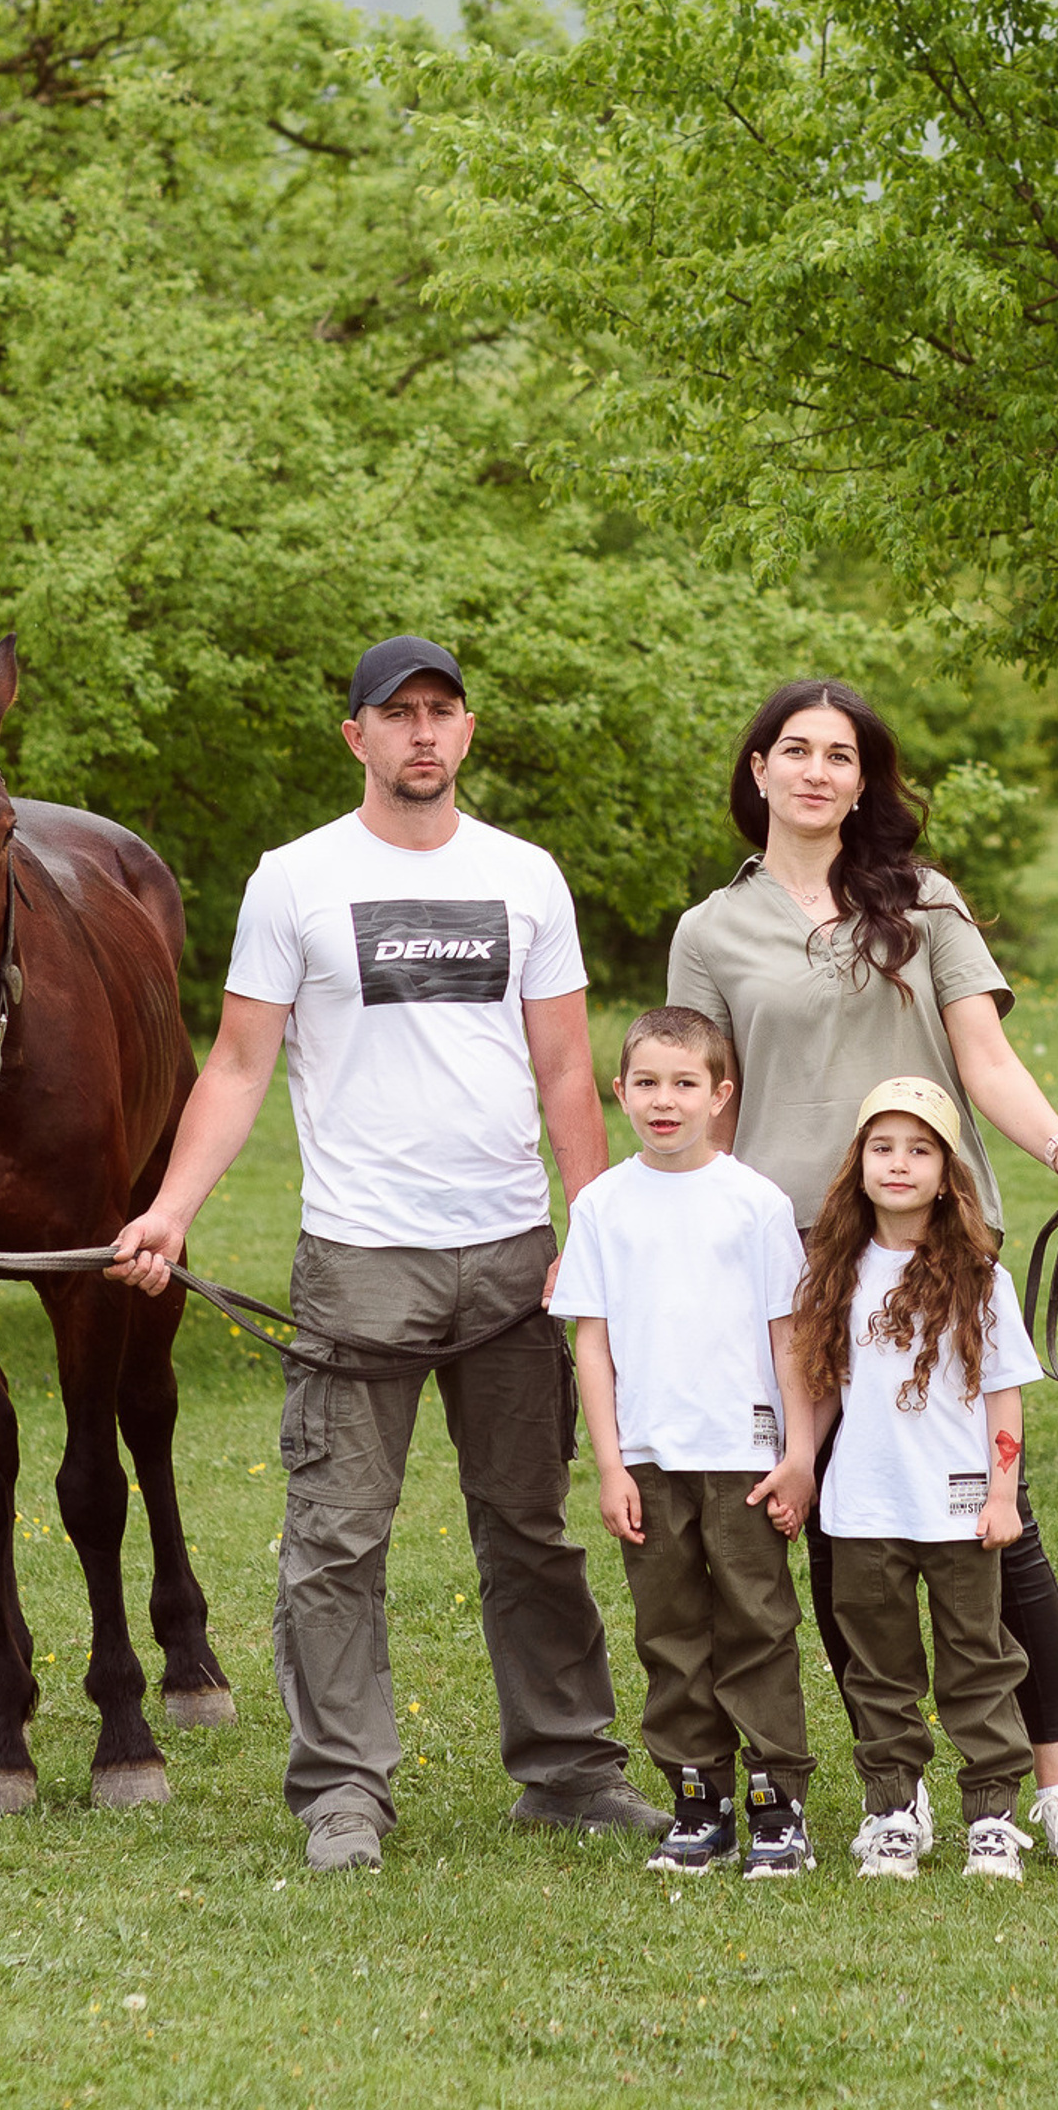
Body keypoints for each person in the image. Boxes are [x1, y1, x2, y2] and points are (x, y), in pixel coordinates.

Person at [106, 633, 669, 1872]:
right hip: (359, 1259)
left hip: (513, 1253)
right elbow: (238, 1063)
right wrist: (171, 1209)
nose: (423, 731)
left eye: (442, 711)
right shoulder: (293, 879)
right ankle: (343, 1794)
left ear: (466, 731)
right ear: (355, 734)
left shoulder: (526, 875)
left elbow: (566, 1070)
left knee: (529, 1525)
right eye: (398, 712)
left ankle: (570, 1771)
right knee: (336, 1536)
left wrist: (595, 1230)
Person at [668, 677, 1058, 1875]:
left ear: (862, 779)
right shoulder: (710, 931)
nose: (816, 770)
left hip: (935, 1253)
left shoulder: (923, 903)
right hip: (796, 1267)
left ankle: (1056, 1788)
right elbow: (703, 1106)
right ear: (759, 769)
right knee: (843, 1526)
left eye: (840, 754)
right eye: (795, 749)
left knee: (997, 1526)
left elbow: (985, 1057)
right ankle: (898, 1791)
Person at [553, 1003, 820, 1878]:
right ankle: (699, 1801)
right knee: (669, 1632)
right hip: (650, 1461)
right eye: (647, 1083)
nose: (664, 1101)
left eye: (684, 1084)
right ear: (619, 1092)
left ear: (720, 1095)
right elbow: (592, 1343)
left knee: (757, 1625)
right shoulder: (602, 1205)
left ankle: (777, 1805)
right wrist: (610, 1464)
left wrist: (798, 1453)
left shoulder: (755, 1202)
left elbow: (788, 1335)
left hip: (744, 1458)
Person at [793, 1079, 1046, 1881]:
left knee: (979, 1662)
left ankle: (992, 1819)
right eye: (882, 1147)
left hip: (959, 1511)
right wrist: (800, 1466)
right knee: (878, 1669)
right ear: (858, 1164)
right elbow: (826, 1388)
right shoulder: (834, 1272)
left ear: (947, 1175)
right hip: (862, 1509)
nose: (898, 1164)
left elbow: (1003, 1393)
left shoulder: (981, 1278)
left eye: (919, 1150)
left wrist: (1002, 1495)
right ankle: (894, 1813)